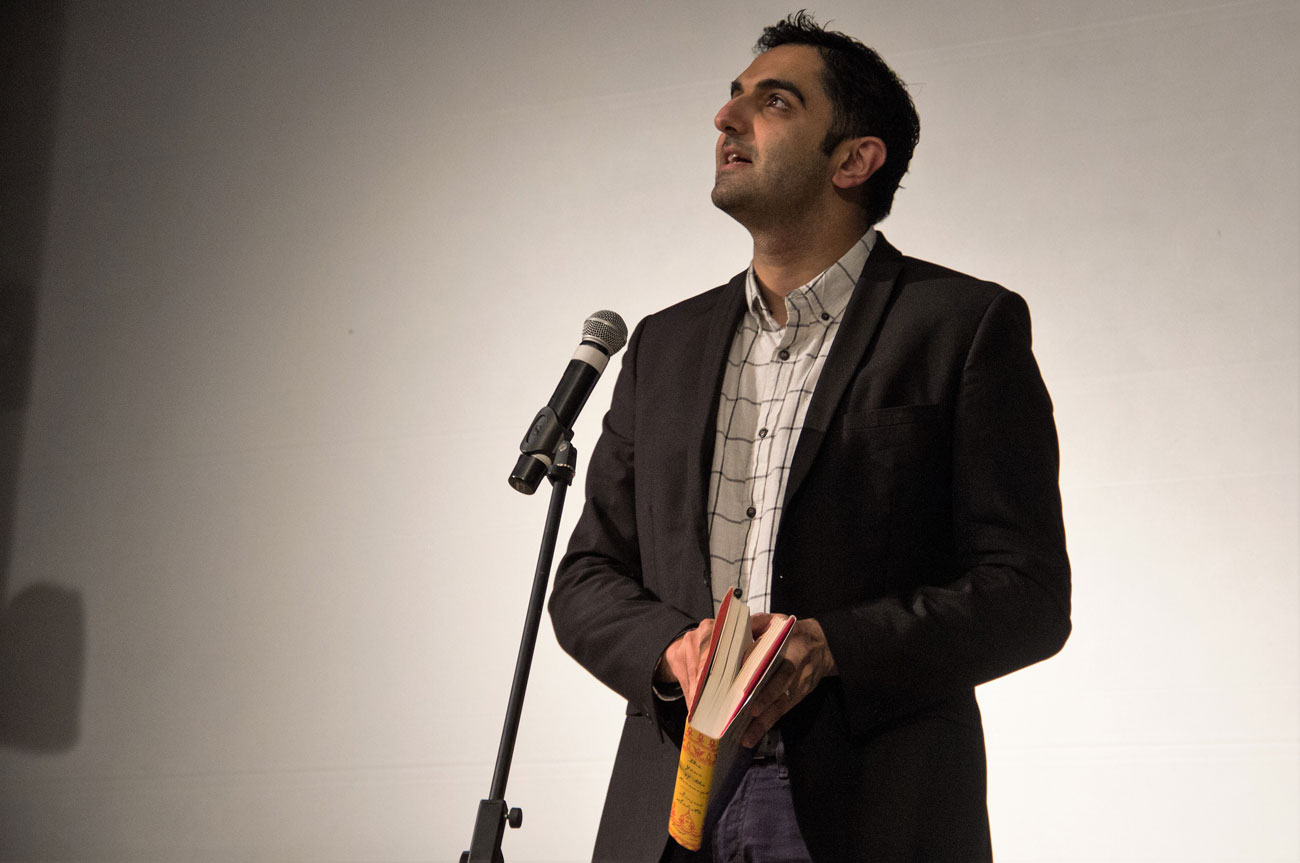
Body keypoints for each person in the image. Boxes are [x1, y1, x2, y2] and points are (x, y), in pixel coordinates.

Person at [548, 11, 1071, 862]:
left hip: (874, 810)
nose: (727, 118)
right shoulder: (662, 345)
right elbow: (586, 577)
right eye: (731, 99)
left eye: (774, 101)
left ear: (854, 159)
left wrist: (833, 647)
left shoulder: (963, 327)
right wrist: (666, 649)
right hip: (671, 809)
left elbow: (1027, 595)